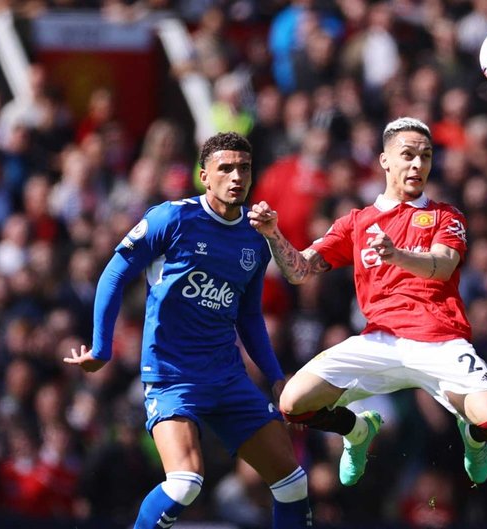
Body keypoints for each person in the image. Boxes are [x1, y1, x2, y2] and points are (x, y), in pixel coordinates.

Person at [64, 132, 312, 529]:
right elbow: (113, 275)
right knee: (185, 484)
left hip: (227, 376)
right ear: (204, 176)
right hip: (172, 376)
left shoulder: (254, 237)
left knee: (293, 482)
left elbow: (247, 317)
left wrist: (277, 377)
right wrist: (101, 347)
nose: (236, 177)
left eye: (244, 168)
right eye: (225, 168)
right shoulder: (172, 218)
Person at [248, 117, 487, 488]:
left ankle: (473, 436)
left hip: (439, 339)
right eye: (407, 155)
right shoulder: (357, 222)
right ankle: (356, 431)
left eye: (426, 156)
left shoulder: (446, 215)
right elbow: (299, 271)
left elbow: (442, 266)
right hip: (380, 339)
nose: (417, 165)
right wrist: (273, 234)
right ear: (384, 160)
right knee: (292, 403)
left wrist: (397, 255)